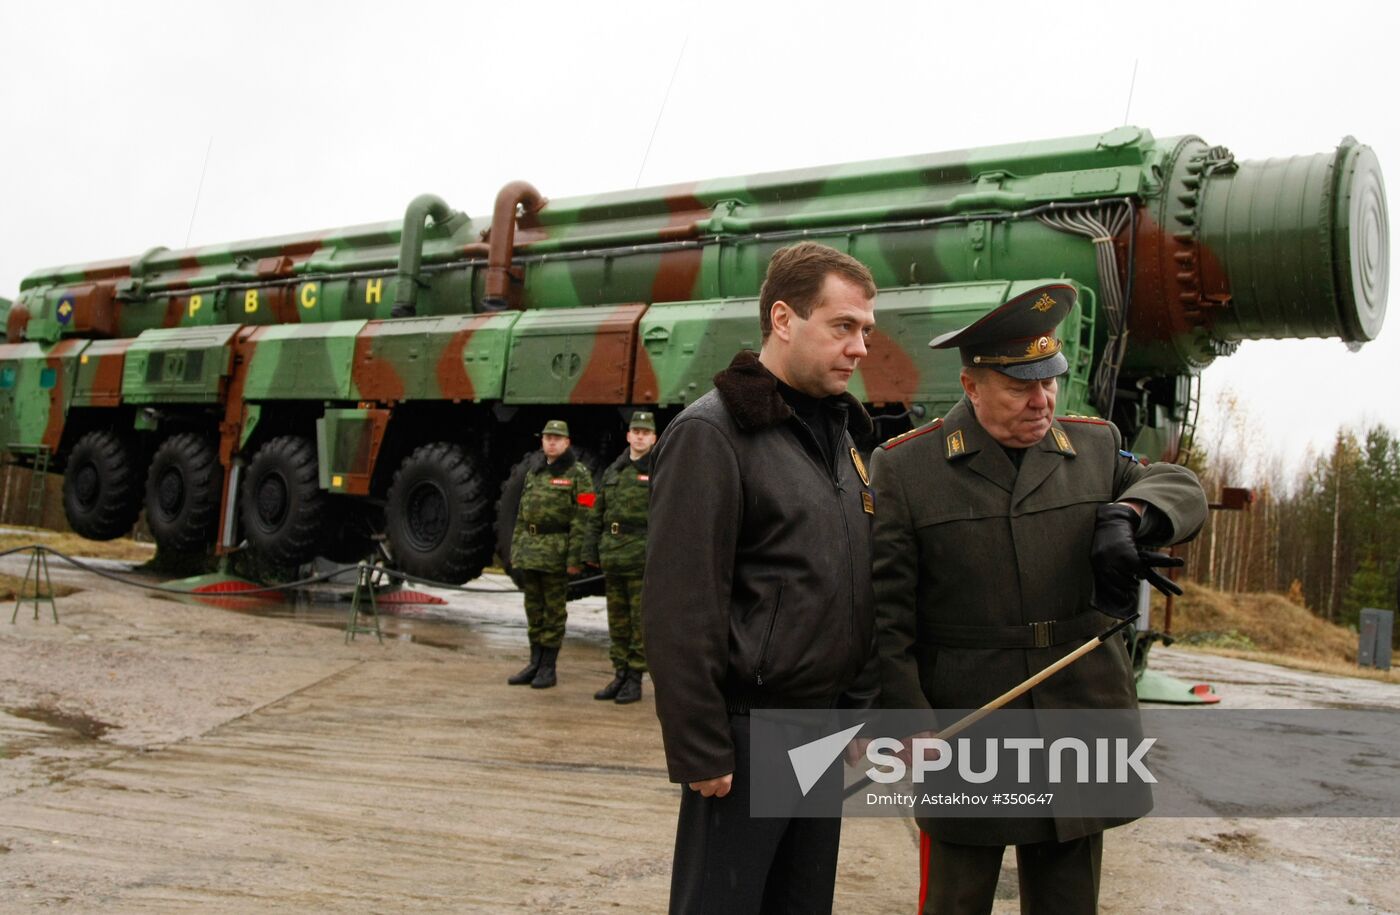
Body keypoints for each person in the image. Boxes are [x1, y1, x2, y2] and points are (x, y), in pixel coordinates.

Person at [869, 283, 1208, 915]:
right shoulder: (908, 469)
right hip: (969, 723)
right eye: (1021, 385)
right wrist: (905, 718)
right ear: (972, 387)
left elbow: (1182, 487)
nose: (1042, 399)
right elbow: (887, 616)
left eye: (1049, 380)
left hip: (1079, 711)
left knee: (1067, 898)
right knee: (955, 897)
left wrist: (1132, 513)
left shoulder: (1095, 446)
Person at [643, 242, 881, 914]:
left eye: (866, 329)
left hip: (826, 729)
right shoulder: (713, 435)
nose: (860, 346)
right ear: (783, 318)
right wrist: (699, 744)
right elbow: (679, 603)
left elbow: (854, 581)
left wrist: (859, 711)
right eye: (843, 326)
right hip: (750, 737)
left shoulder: (842, 439)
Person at [507, 419, 595, 690]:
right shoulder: (535, 471)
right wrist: (517, 550)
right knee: (533, 609)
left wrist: (574, 558)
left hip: (557, 554)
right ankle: (534, 662)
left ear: (567, 443)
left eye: (557, 438)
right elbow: (523, 515)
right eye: (547, 438)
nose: (552, 442)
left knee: (554, 612)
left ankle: (548, 666)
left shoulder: (578, 473)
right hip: (531, 551)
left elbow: (584, 516)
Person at [584, 410, 658, 705]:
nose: (639, 436)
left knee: (639, 623)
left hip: (641, 559)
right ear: (628, 435)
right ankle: (619, 674)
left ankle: (634, 680)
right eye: (635, 431)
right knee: (617, 622)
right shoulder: (614, 470)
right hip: (614, 557)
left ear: (654, 438)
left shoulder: (660, 469)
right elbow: (597, 512)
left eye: (645, 432)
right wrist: (590, 551)